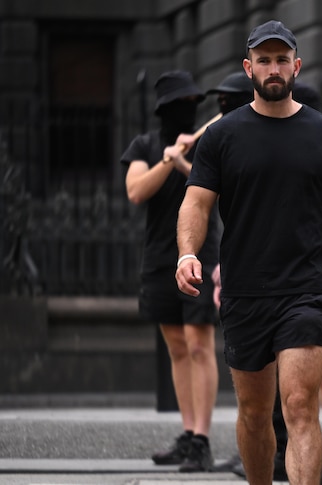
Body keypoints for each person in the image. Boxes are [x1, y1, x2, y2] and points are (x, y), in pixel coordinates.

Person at [175, 20, 322, 485]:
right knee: (255, 413)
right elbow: (196, 202)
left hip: (305, 291)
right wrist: (187, 253)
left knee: (300, 405)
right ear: (249, 68)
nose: (274, 68)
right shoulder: (223, 136)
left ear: (297, 65)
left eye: (282, 59)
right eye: (264, 60)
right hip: (244, 292)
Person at [121, 70, 219, 473]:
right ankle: (187, 431)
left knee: (199, 345)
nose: (186, 111)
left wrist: (183, 162)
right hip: (159, 258)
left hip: (199, 252)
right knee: (177, 348)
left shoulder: (206, 145)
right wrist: (167, 159)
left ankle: (202, 439)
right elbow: (136, 191)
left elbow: (219, 191)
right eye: (179, 105)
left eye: (191, 105)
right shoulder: (145, 144)